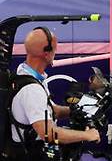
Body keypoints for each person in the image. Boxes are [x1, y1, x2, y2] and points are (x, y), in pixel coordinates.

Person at [9, 27, 100, 159]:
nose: (55, 53)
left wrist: (75, 110)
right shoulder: (32, 90)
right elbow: (49, 134)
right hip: (29, 154)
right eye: (55, 49)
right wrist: (87, 135)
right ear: (46, 53)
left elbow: (49, 110)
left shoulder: (26, 75)